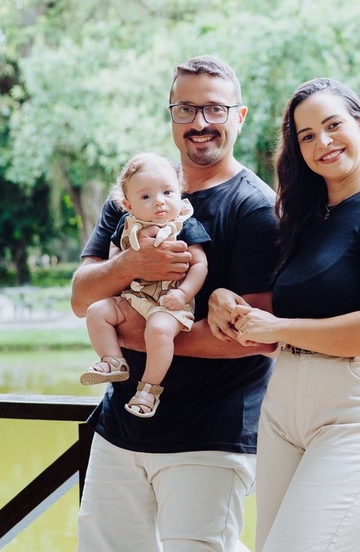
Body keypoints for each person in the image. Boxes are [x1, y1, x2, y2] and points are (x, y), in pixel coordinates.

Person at [208, 77, 360, 552]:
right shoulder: (302, 221)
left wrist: (279, 328)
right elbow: (274, 317)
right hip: (285, 401)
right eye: (306, 136)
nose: (322, 143)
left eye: (333, 126)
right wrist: (227, 301)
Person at [71, 55, 279, 552]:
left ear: (239, 116)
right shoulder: (131, 197)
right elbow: (82, 298)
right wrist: (128, 268)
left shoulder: (255, 208)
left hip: (212, 433)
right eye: (185, 109)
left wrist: (131, 334)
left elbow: (255, 338)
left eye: (214, 109)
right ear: (171, 115)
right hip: (119, 426)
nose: (200, 123)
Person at [79, 152, 211, 419]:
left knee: (159, 330)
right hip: (133, 299)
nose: (159, 202)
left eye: (167, 192)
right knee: (97, 312)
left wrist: (183, 292)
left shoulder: (184, 225)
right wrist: (127, 264)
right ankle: (113, 360)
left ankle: (149, 389)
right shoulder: (126, 226)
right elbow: (115, 258)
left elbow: (200, 264)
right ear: (128, 205)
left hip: (169, 302)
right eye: (146, 197)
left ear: (180, 192)